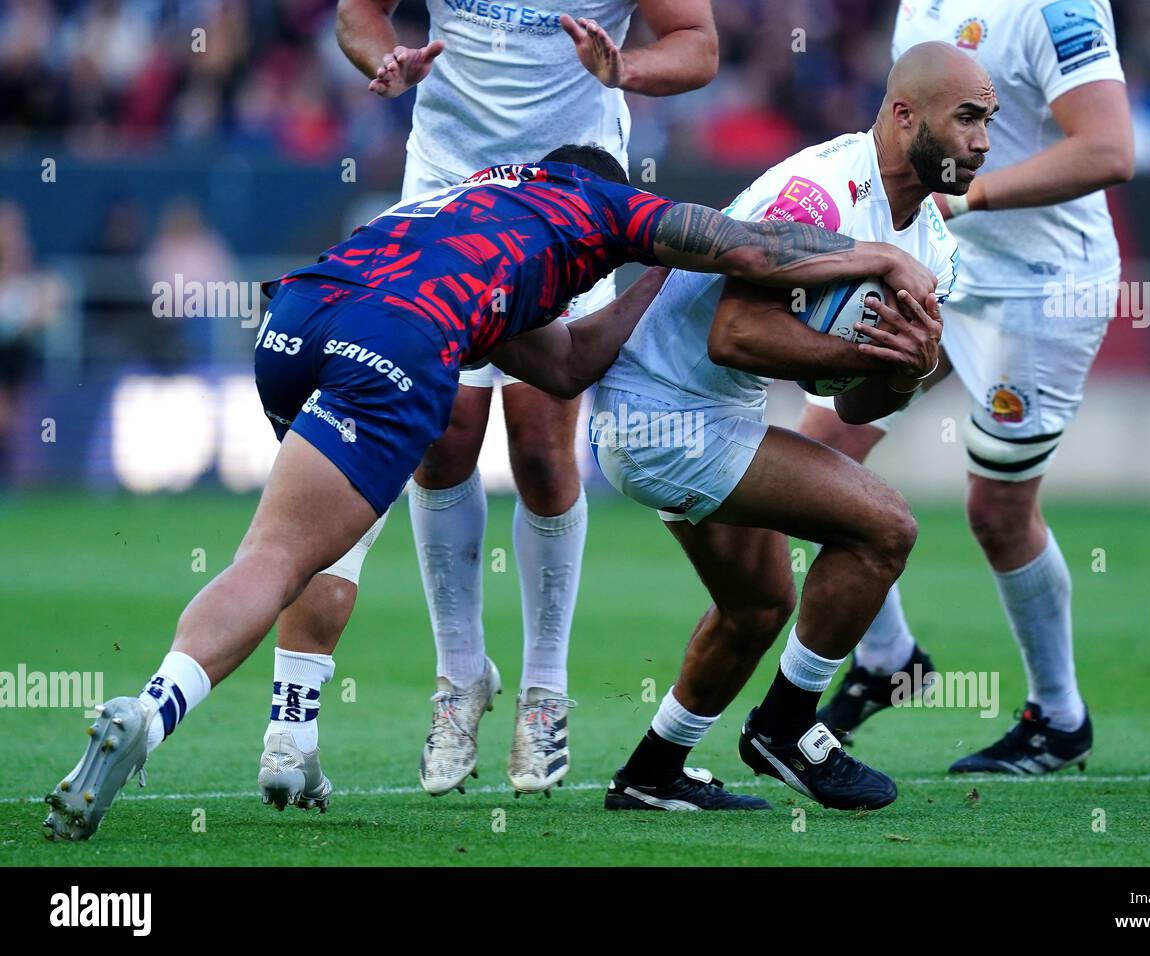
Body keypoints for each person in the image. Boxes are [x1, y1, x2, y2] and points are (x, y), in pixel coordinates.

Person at [43, 144, 942, 841]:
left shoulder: (471, 207)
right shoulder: (603, 202)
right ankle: (156, 714)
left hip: (299, 318)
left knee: (292, 546)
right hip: (399, 342)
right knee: (286, 554)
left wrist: (651, 282)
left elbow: (570, 362)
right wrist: (883, 259)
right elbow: (752, 242)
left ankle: (290, 739)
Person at [267, 0, 720, 802]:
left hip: (573, 190)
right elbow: (357, 14)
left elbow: (698, 46)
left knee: (544, 446)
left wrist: (627, 70)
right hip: (449, 180)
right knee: (442, 441)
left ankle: (545, 690)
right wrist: (388, 58)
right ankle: (459, 680)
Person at [590, 42, 992, 811]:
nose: (982, 141)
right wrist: (855, 353)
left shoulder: (934, 245)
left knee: (758, 605)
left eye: (989, 120)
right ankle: (786, 723)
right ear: (905, 115)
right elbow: (734, 334)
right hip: (660, 408)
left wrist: (906, 374)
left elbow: (852, 407)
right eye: (968, 117)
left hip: (710, 407)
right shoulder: (820, 192)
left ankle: (650, 774)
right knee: (885, 527)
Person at [815, 0, 1134, 776]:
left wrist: (971, 196)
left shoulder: (1054, 8)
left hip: (1039, 286)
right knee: (814, 455)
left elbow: (1110, 149)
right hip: (941, 262)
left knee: (995, 511)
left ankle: (1059, 717)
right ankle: (889, 658)